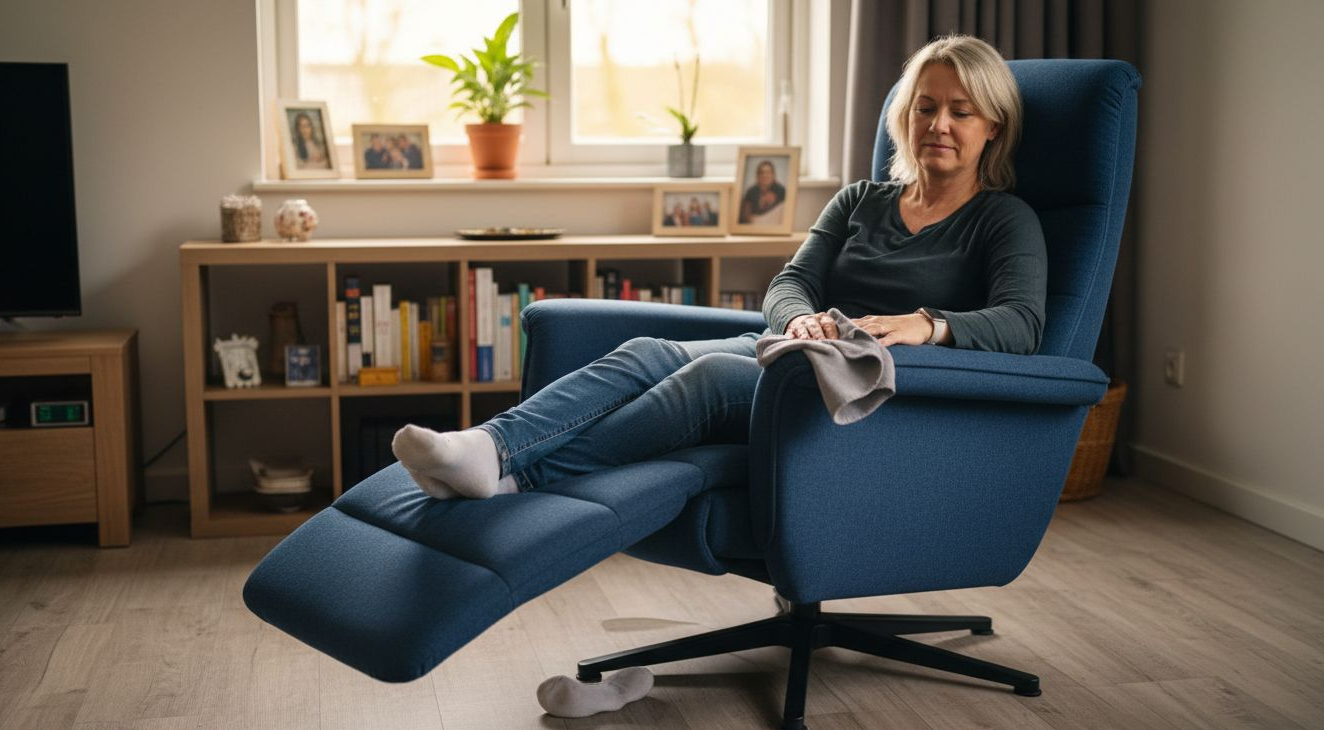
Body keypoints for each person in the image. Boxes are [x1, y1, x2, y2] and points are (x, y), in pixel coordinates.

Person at [392, 34, 1045, 500]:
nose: (939, 123)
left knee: (706, 378)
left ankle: (522, 477)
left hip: (879, 386)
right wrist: (802, 320)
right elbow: (790, 282)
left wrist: (926, 324)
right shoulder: (859, 200)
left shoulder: (1003, 219)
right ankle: (489, 448)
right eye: (926, 106)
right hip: (801, 350)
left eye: (961, 111)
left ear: (993, 126)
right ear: (905, 117)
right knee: (648, 350)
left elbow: (1022, 323)